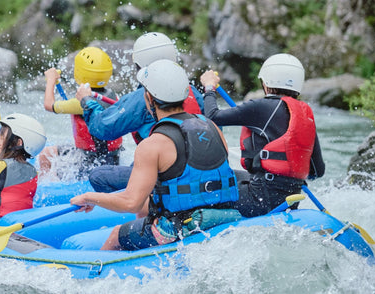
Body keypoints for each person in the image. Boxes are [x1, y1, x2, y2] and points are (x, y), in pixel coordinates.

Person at [70, 60, 238, 251]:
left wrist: (89, 197)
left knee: (116, 234)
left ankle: (91, 279)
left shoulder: (152, 145)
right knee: (147, 206)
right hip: (224, 216)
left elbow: (130, 202)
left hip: (182, 227)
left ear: (149, 98)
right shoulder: (212, 126)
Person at [76, 32, 205, 193]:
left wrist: (87, 101)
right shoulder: (193, 92)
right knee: (137, 164)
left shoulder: (143, 97)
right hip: (201, 170)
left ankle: (141, 207)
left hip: (168, 176)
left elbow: (102, 128)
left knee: (99, 175)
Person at [200, 53, 325, 217]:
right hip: (290, 200)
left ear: (266, 82)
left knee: (208, 181)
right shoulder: (305, 115)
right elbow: (317, 171)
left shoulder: (261, 107)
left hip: (259, 201)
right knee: (233, 175)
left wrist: (209, 88)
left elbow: (212, 117)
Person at [38, 47, 122, 179]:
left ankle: (46, 183)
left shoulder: (80, 103)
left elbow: (49, 105)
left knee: (45, 157)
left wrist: (51, 80)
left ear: (80, 72)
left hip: (89, 162)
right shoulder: (112, 96)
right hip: (111, 157)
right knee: (48, 152)